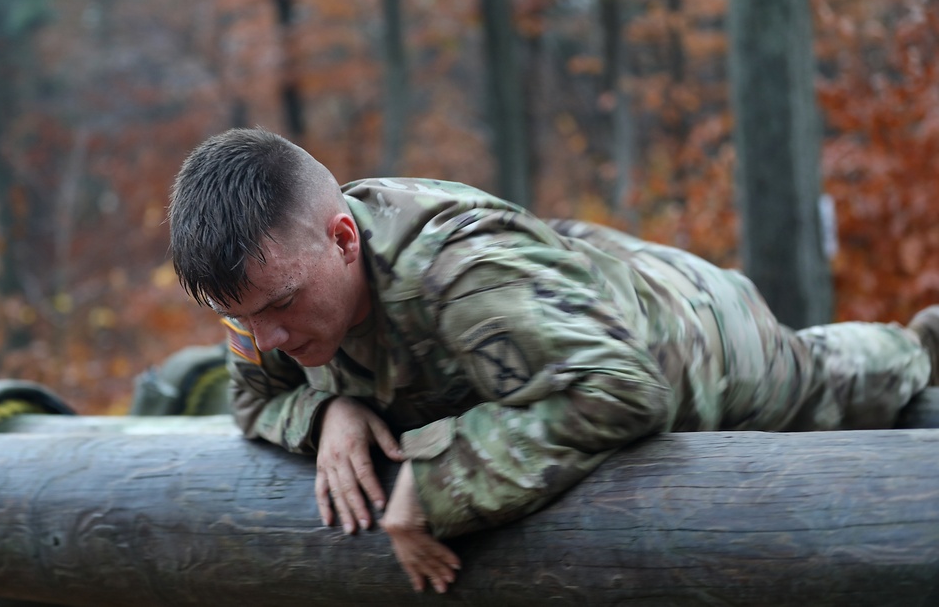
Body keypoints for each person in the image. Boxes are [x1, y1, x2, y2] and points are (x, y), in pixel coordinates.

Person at [167, 127, 939, 594]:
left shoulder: (457, 270)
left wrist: (439, 483)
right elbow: (254, 399)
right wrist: (326, 410)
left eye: (280, 308)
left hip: (689, 335)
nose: (263, 339)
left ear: (342, 239)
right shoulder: (265, 295)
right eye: (241, 316)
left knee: (840, 378)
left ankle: (922, 339)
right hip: (562, 288)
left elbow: (622, 389)